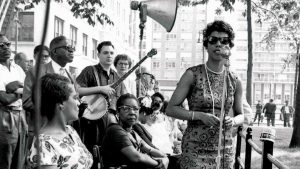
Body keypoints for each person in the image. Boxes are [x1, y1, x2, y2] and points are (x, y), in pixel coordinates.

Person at [166, 20, 244, 169]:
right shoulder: (192, 74)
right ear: (206, 45)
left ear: (229, 46)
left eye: (224, 41)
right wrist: (199, 116)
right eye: (213, 40)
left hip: (224, 148)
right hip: (195, 148)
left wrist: (233, 121)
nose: (218, 44)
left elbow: (241, 115)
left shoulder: (235, 80)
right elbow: (171, 109)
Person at [76, 41, 127, 169]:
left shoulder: (117, 76)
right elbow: (77, 90)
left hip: (111, 121)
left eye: (111, 53)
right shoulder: (89, 71)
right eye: (105, 52)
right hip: (91, 121)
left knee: (109, 155)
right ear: (98, 54)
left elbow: (122, 98)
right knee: (91, 153)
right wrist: (101, 89)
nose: (109, 55)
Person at [23, 35, 75, 156]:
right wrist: (55, 109)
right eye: (68, 47)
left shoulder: (70, 75)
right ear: (55, 51)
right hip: (41, 132)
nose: (72, 51)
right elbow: (27, 101)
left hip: (64, 135)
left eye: (73, 48)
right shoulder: (36, 71)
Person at [27, 73, 93, 169]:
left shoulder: (70, 131)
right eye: (74, 98)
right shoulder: (44, 144)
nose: (78, 103)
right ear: (60, 103)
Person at [102, 93, 169, 169]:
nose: (132, 112)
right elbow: (136, 156)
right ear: (118, 112)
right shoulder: (115, 130)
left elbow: (150, 150)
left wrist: (165, 157)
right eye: (126, 108)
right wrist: (159, 164)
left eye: (135, 109)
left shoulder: (132, 132)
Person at [0, 34, 27, 169]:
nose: (5, 48)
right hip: (5, 116)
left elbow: (28, 90)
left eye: (8, 44)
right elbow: (4, 99)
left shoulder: (18, 68)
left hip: (21, 115)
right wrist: (19, 90)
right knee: (6, 158)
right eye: (1, 46)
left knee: (20, 158)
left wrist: (13, 88)